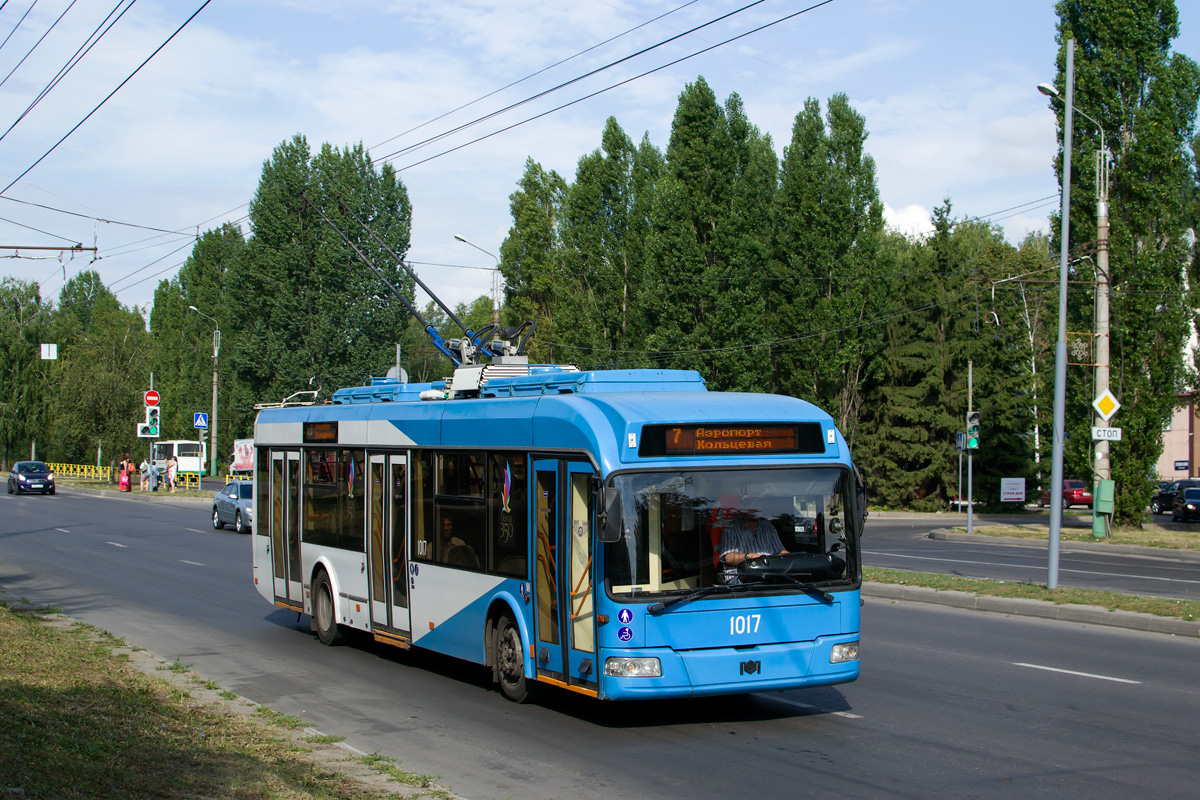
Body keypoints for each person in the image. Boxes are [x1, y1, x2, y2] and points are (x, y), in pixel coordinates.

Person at [719, 495, 788, 584]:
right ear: (743, 508)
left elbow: (780, 551)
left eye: (757, 505)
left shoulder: (768, 527)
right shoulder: (731, 528)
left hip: (769, 574)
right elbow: (729, 558)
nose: (755, 508)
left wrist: (790, 558)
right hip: (741, 577)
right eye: (750, 505)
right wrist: (749, 557)